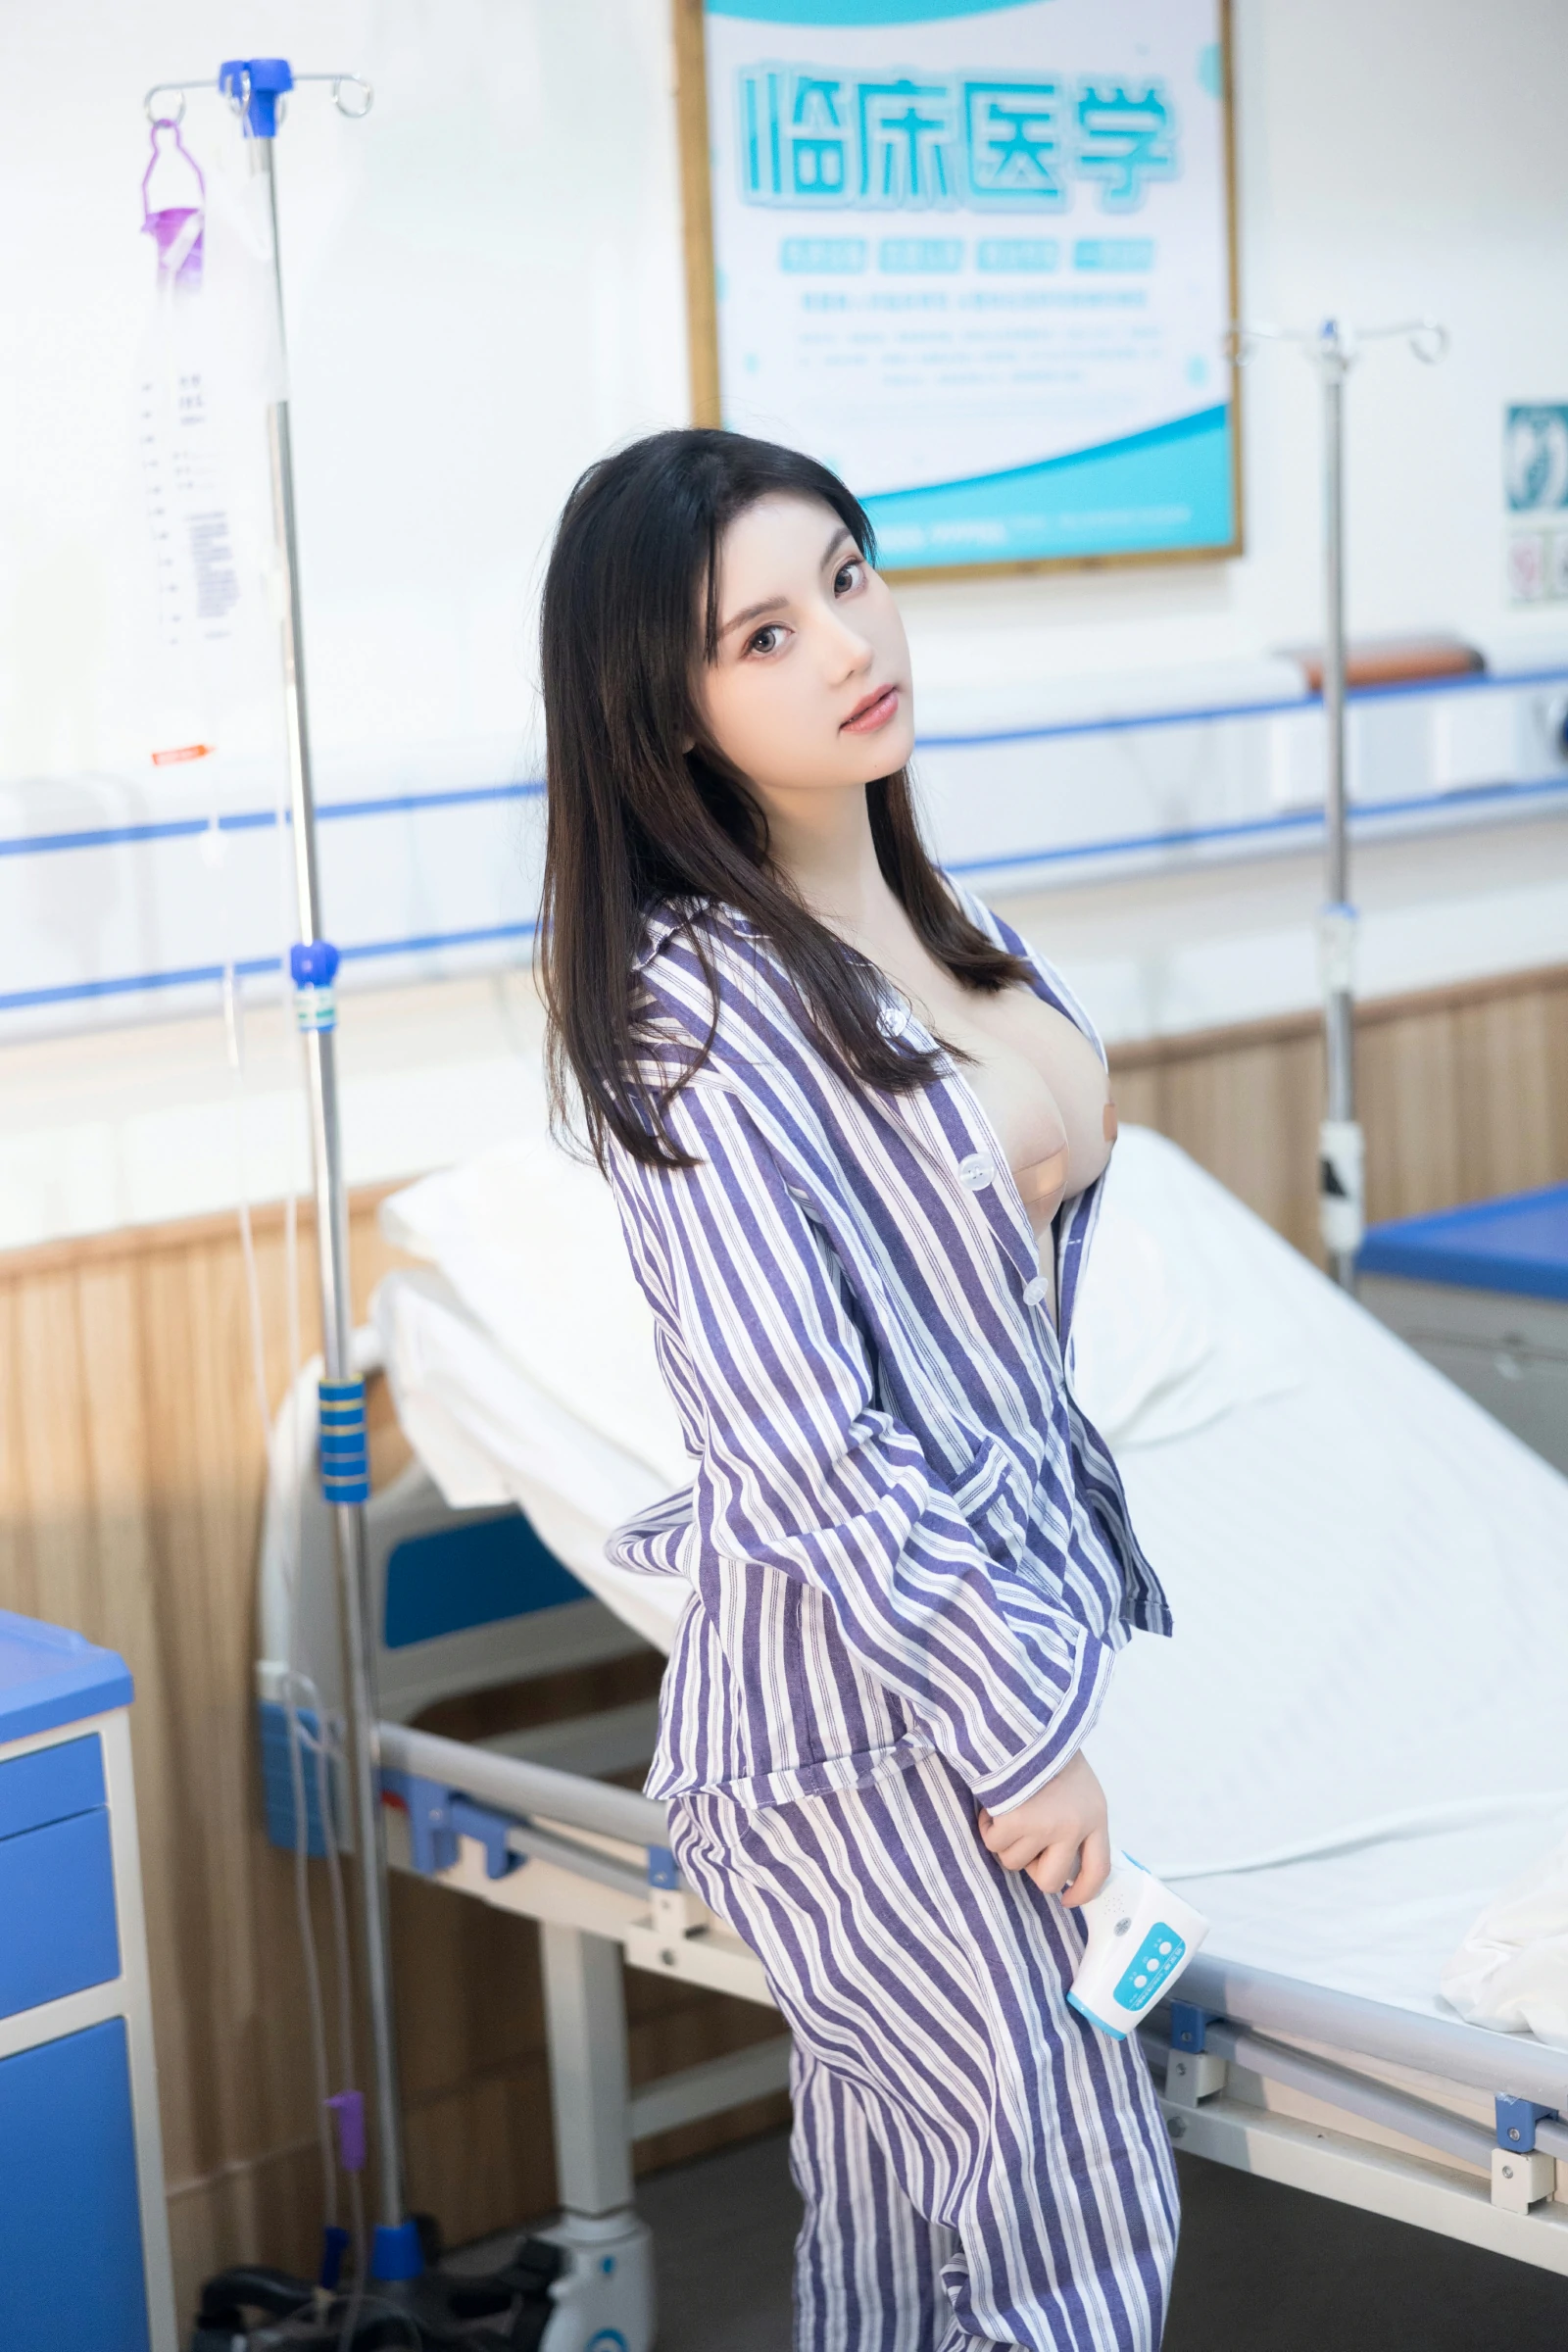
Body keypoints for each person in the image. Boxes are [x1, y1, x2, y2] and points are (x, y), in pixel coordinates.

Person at [538, 427, 1177, 2352]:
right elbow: (796, 1447)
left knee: (909, 2262)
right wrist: (1017, 1735)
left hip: (957, 1680)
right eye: (761, 634)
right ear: (666, 713)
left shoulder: (940, 924)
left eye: (846, 574)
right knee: (1063, 2245)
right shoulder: (692, 1008)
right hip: (858, 1735)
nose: (845, 641)